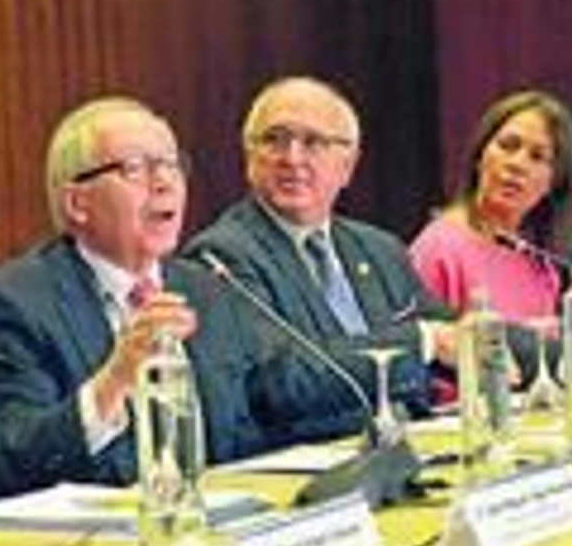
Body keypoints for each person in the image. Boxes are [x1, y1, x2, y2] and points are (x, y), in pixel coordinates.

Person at [0, 96, 268, 498]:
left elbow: (254, 423)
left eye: (171, 164)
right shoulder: (12, 303)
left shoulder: (206, 288)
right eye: (135, 168)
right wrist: (116, 378)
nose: (164, 182)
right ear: (77, 203)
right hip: (94, 533)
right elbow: (7, 457)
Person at [184, 76, 458, 447]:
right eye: (275, 139)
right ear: (249, 157)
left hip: (414, 446)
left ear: (347, 165)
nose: (292, 158)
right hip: (316, 461)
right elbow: (282, 380)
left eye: (313, 142)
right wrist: (421, 341)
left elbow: (452, 333)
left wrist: (529, 347)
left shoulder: (378, 248)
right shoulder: (222, 257)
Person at [410, 89, 572, 323]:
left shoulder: (541, 265)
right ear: (479, 157)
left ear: (553, 184)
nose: (517, 164)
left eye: (537, 157)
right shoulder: (438, 248)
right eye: (508, 146)